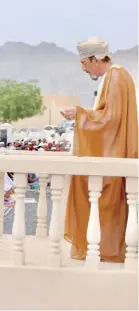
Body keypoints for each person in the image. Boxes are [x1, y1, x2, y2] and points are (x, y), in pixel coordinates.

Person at [62, 37, 138, 263]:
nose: (84, 68)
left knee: (105, 200)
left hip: (114, 152)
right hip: (113, 150)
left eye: (84, 63)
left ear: (96, 59)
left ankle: (108, 251)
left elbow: (111, 119)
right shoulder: (114, 76)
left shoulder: (115, 76)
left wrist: (80, 114)